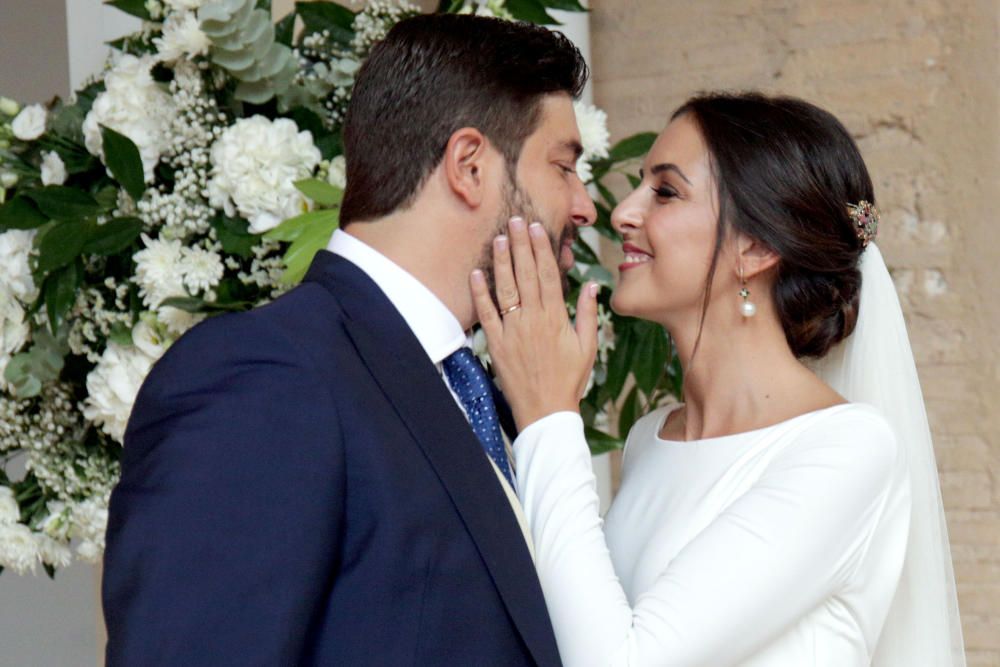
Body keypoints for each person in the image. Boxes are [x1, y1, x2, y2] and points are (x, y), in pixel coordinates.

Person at [102, 14, 596, 666]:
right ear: (470, 166)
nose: (586, 205)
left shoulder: (479, 390)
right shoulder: (266, 374)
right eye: (564, 167)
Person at [472, 92, 966, 666]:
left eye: (665, 191)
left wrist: (550, 418)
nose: (622, 213)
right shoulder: (649, 440)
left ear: (755, 247)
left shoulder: (846, 450)